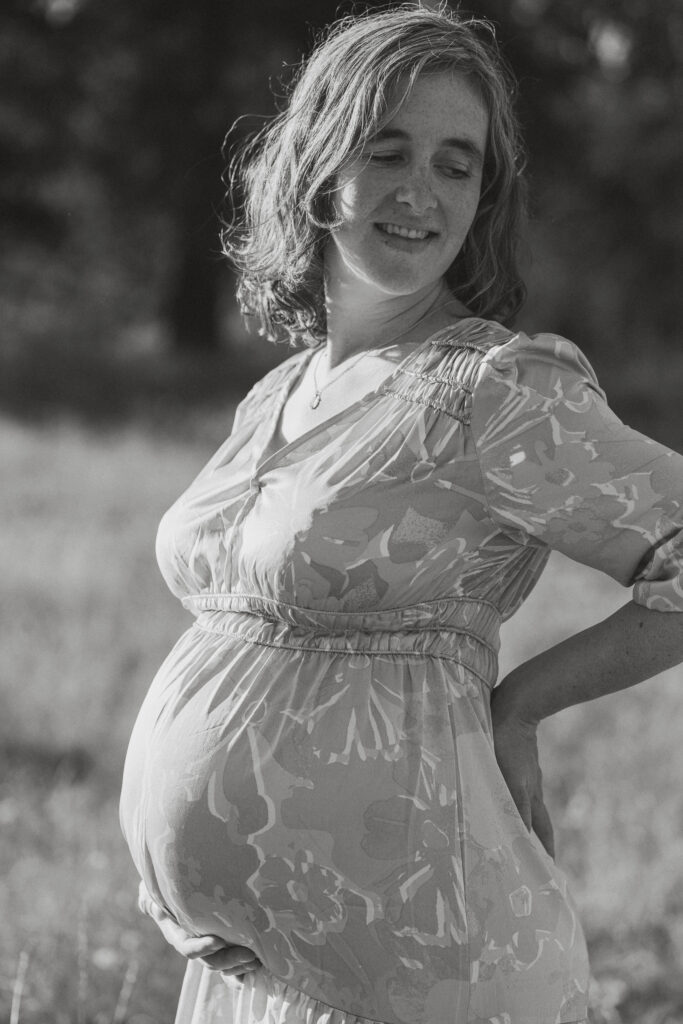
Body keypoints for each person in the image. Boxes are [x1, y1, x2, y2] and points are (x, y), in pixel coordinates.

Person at [119, 5, 683, 1023]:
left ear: (483, 194)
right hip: (269, 978)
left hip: (436, 974)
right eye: (387, 151)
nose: (421, 191)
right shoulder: (279, 390)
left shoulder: (492, 388)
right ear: (317, 167)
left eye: (455, 163)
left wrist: (525, 700)